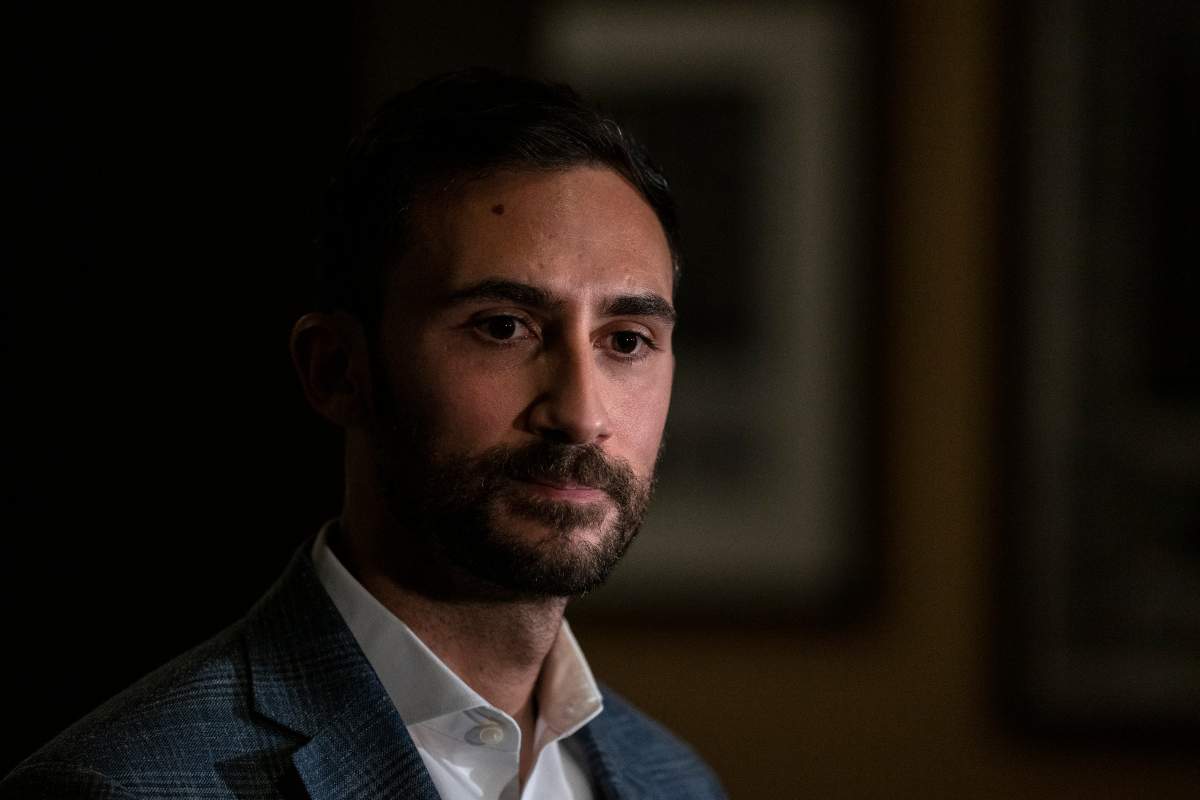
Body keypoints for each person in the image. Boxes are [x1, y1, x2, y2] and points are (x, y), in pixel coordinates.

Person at [0, 69, 725, 799]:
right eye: (503, 327)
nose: (580, 413)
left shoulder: (676, 782)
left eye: (627, 341)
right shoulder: (118, 787)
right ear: (337, 369)